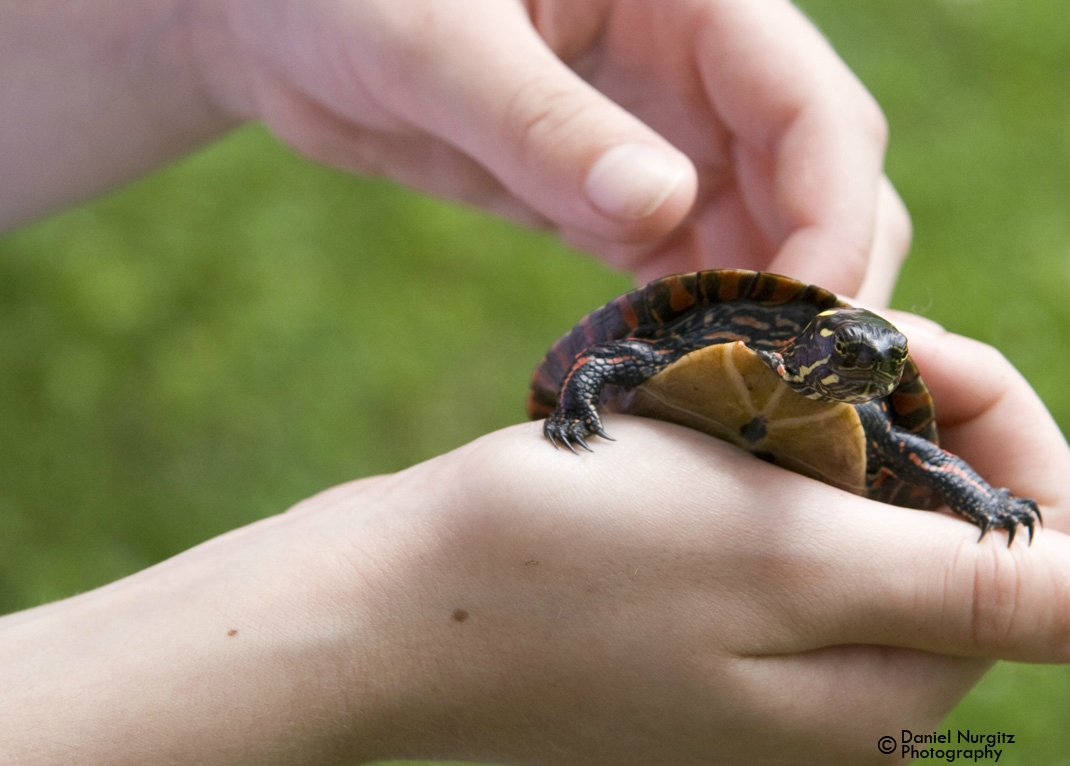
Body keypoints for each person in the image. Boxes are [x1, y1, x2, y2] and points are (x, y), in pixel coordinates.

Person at [0, 1, 1067, 764]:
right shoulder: (732, 333)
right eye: (850, 348)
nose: (865, 367)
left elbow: (912, 451)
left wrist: (215, 20)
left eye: (874, 365)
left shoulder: (863, 407)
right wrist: (384, 620)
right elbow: (627, 356)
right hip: (691, 395)